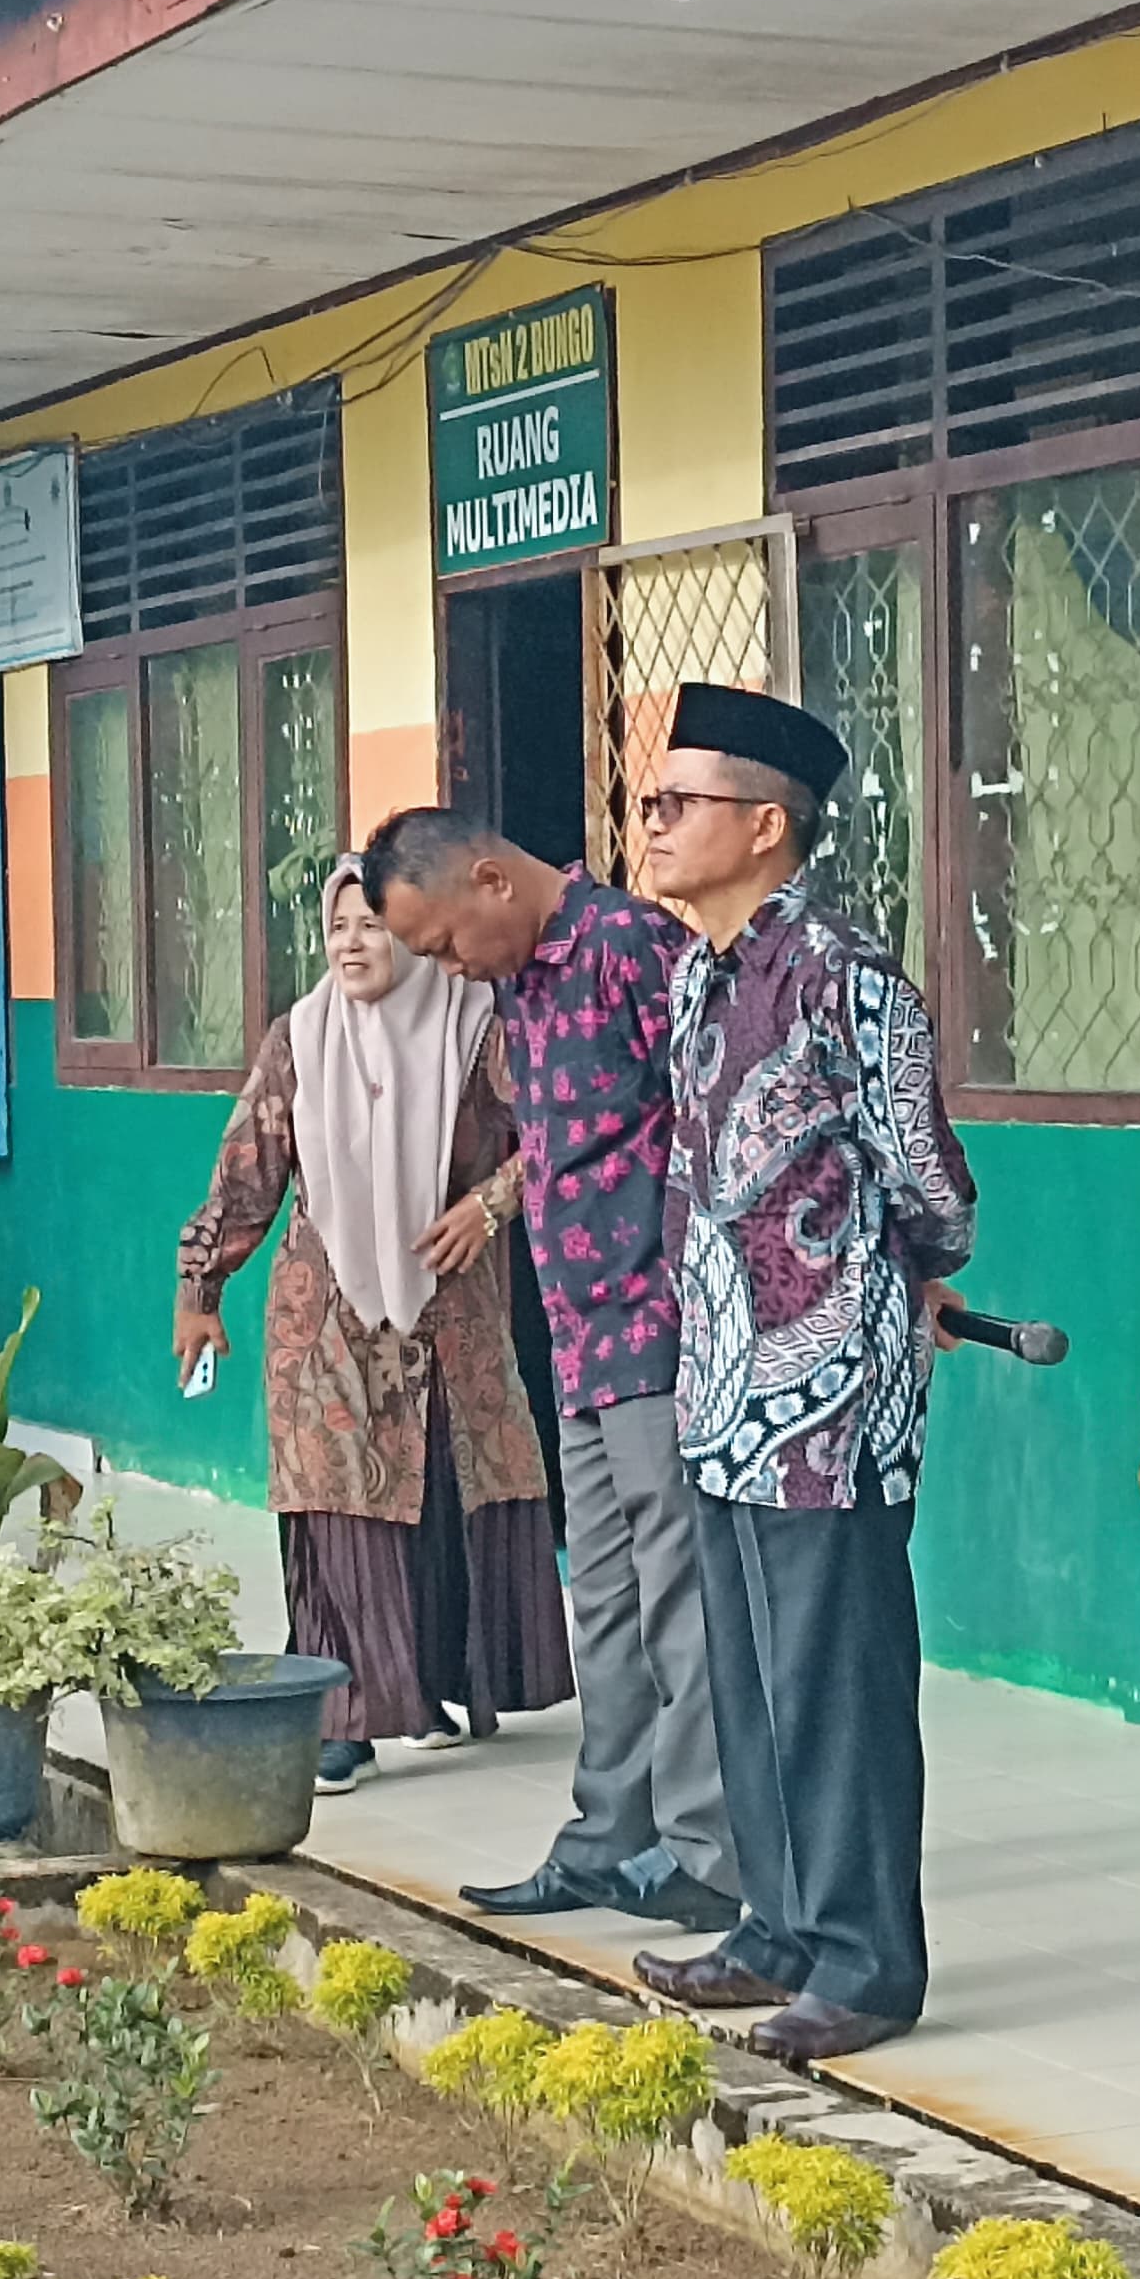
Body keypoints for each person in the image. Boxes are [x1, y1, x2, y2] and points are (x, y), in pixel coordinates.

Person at [623, 684, 975, 2067]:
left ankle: (866, 1958)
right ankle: (777, 1923)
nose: (649, 826)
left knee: (836, 1677)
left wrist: (921, 1265)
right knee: (752, 1673)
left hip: (829, 1394)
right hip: (720, 1385)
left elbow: (926, 1173)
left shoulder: (844, 970)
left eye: (675, 804)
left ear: (767, 826)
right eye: (647, 802)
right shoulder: (699, 972)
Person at [360, 804, 740, 1935]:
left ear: (489, 878)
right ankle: (605, 1838)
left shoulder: (631, 947)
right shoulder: (516, 982)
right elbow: (557, 1145)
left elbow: (710, 1117)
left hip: (658, 1325)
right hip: (577, 1336)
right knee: (608, 1602)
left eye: (439, 943)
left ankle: (705, 1851)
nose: (444, 967)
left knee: (681, 1602)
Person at [175, 860, 574, 1785]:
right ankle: (340, 1716)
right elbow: (246, 1172)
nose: (352, 944)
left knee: (442, 1488)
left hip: (450, 1303)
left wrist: (488, 1206)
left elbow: (551, 1134)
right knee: (337, 1505)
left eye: (373, 925)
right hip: (324, 1314)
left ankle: (425, 1685)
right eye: (340, 927)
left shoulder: (477, 1030)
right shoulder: (300, 1039)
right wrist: (201, 1289)